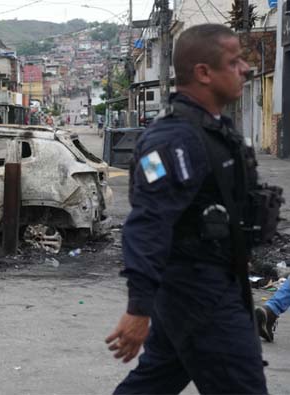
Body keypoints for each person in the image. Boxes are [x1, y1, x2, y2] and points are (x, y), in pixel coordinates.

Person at [105, 24, 267, 394]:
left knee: (155, 382)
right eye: (234, 60)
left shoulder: (214, 129)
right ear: (203, 72)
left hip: (211, 282)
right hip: (198, 293)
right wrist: (139, 307)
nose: (245, 69)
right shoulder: (173, 140)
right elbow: (148, 223)